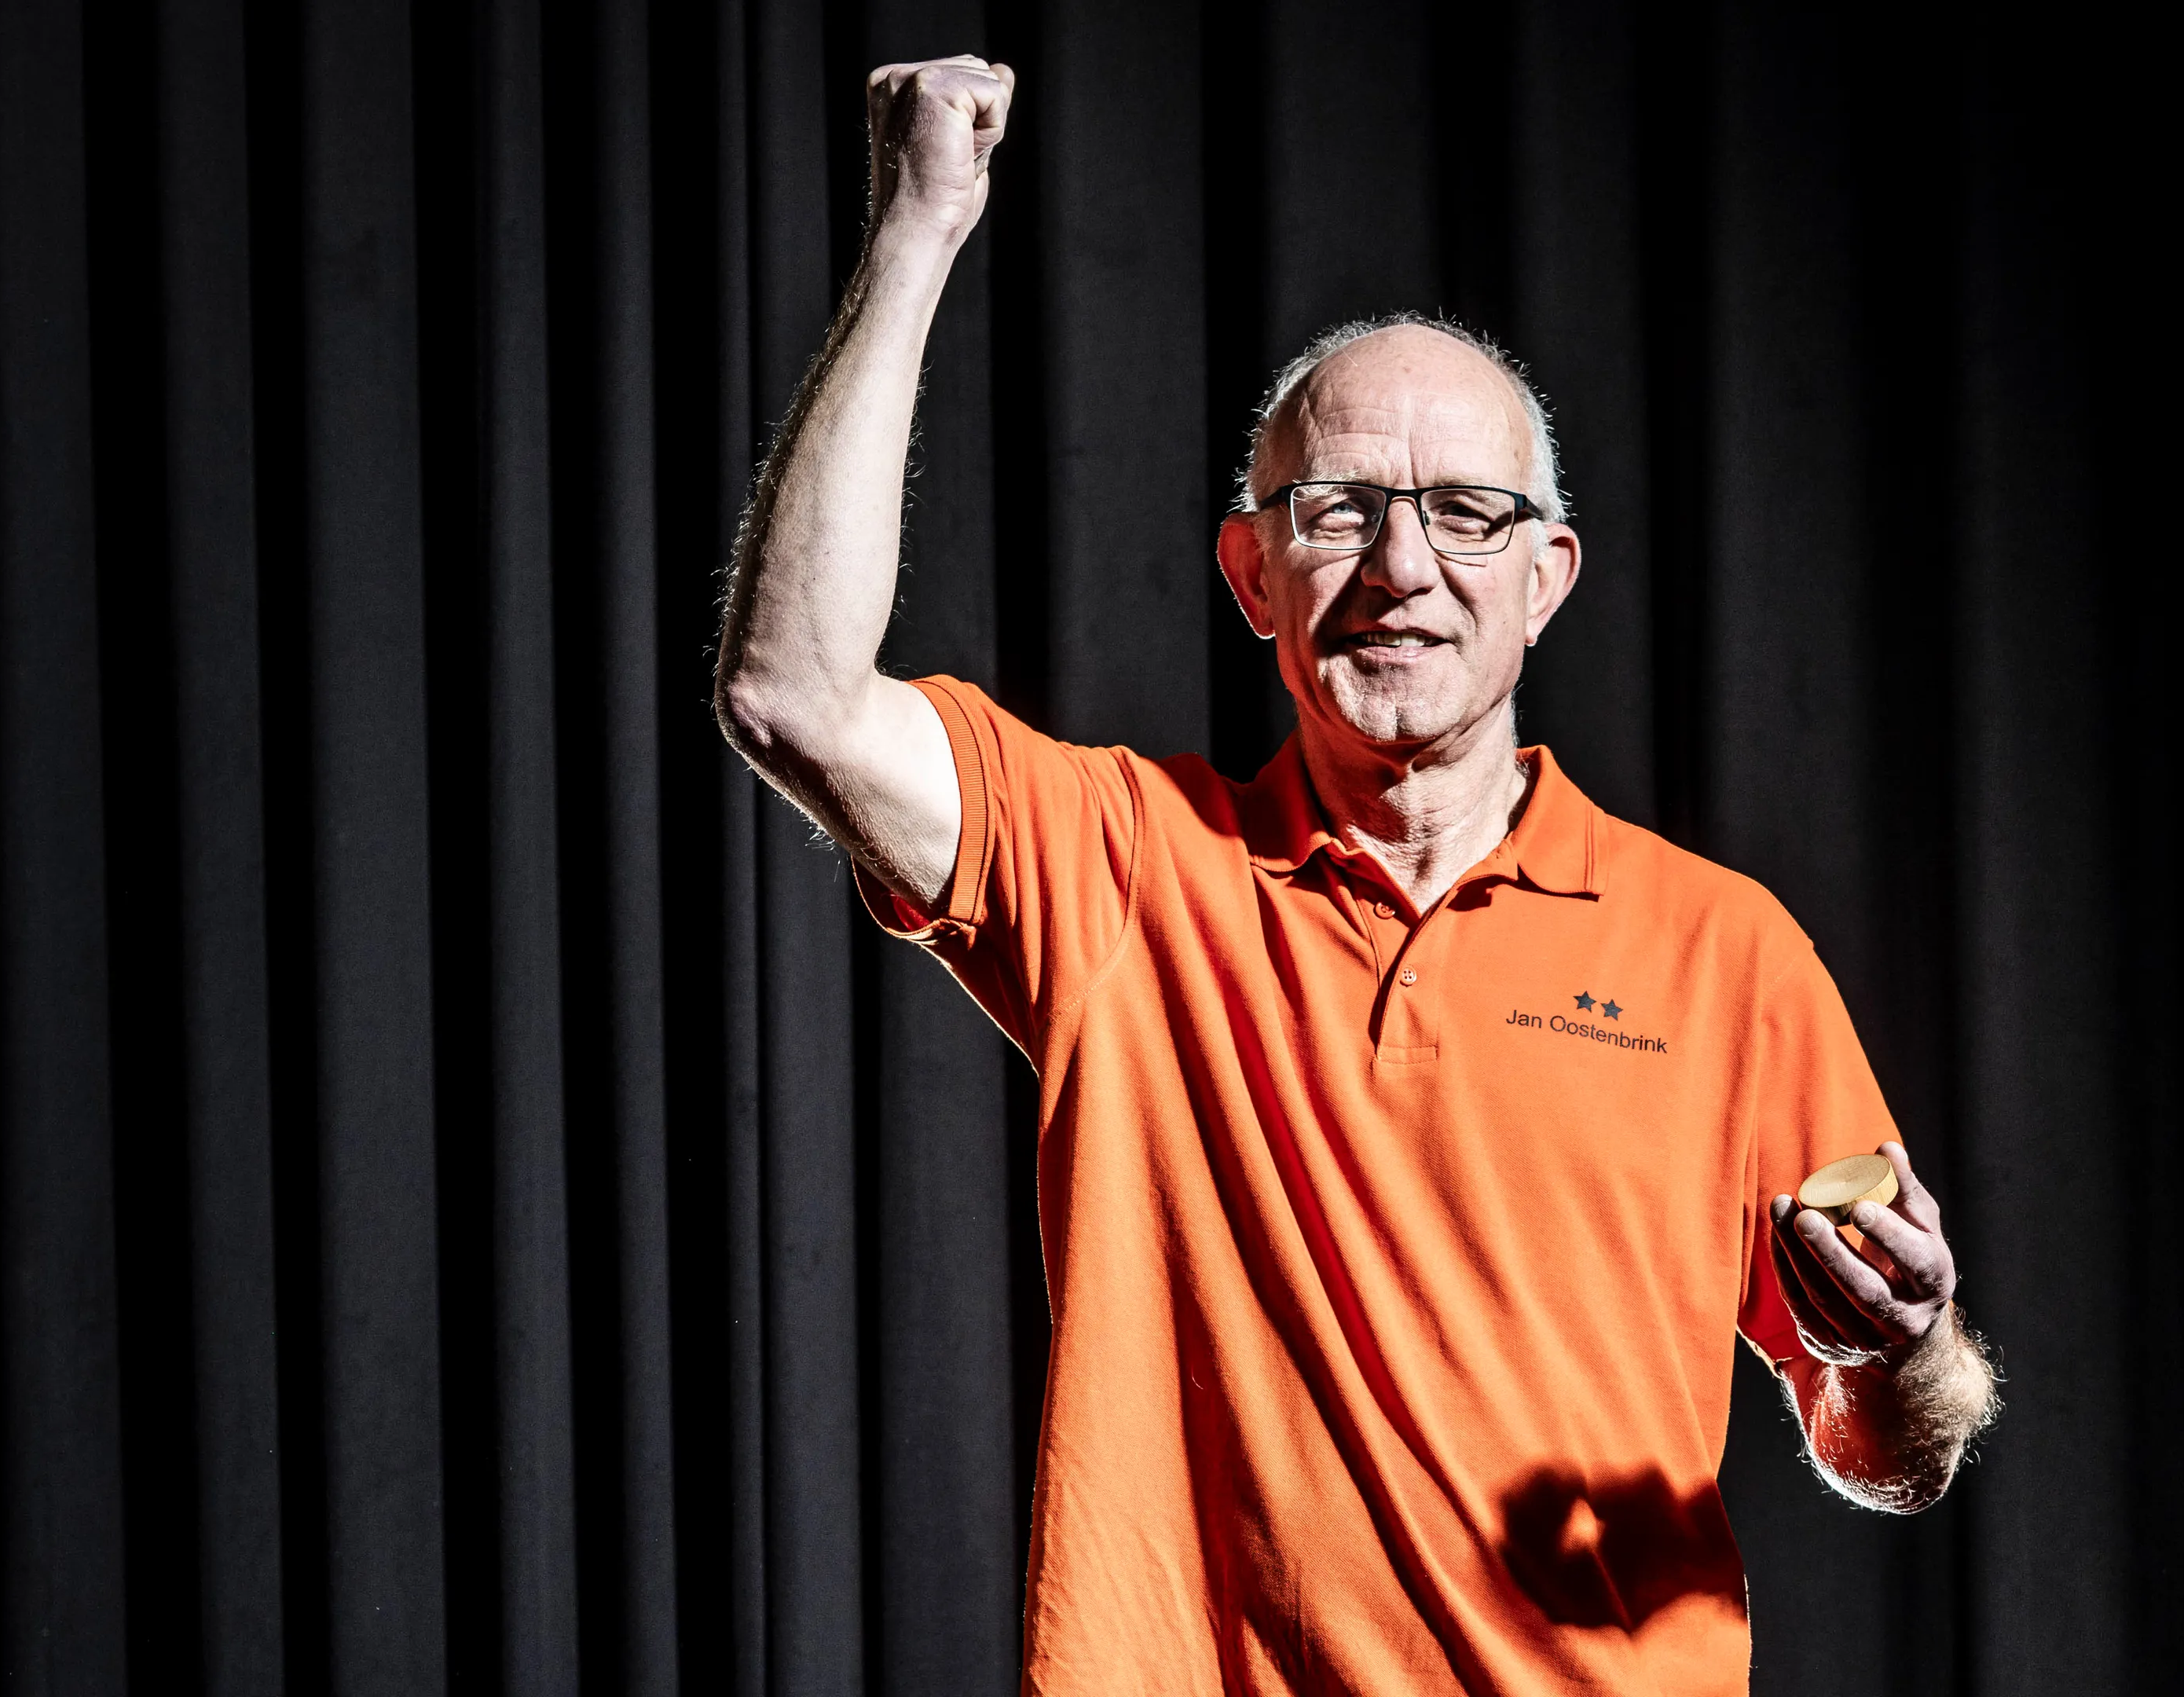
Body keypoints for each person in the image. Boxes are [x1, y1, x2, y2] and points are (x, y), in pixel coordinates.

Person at [715, 51, 1997, 1695]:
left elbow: (1894, 1452)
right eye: (1340, 511)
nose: (1403, 569)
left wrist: (1895, 1350)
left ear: (1547, 580)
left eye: (1467, 515)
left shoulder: (1723, 952)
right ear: (1252, 572)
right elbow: (792, 695)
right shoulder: (1129, 873)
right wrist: (917, 231)